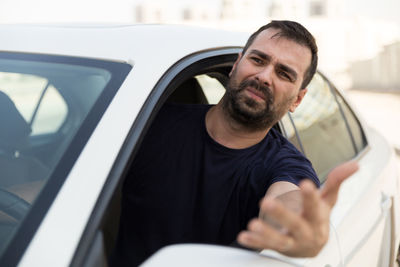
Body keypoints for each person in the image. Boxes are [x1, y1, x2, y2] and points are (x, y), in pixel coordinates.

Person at [111, 20, 358, 266]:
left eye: (284, 73)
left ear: (298, 100)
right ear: (236, 65)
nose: (264, 76)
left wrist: (298, 226)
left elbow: (287, 201)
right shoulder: (149, 123)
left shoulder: (286, 166)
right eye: (258, 60)